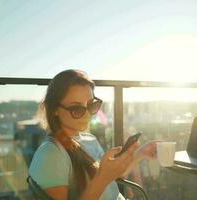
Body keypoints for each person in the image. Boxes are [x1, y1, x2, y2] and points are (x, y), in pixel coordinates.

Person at [29, 69, 157, 200]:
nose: (87, 114)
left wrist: (141, 153)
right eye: (77, 108)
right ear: (55, 109)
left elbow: (111, 180)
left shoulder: (88, 139)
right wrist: (103, 177)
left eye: (91, 105)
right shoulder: (51, 154)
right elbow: (104, 178)